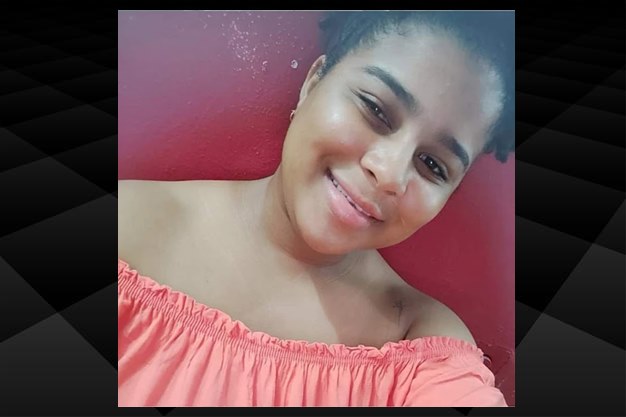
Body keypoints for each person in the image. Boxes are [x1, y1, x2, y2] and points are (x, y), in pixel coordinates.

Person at [118, 11, 514, 406]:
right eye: (376, 110)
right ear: (312, 84)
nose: (389, 173)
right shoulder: (126, 225)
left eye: (432, 165)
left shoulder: (420, 344)